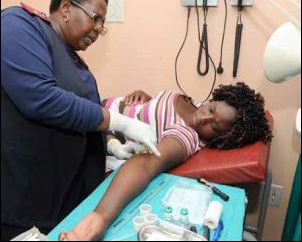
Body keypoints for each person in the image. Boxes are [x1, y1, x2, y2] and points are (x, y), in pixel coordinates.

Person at [1, 0, 160, 240]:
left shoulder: (73, 59)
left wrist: (111, 145)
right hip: (22, 201)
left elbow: (87, 109)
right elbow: (43, 99)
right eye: (95, 18)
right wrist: (124, 123)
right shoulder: (18, 25)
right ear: (66, 7)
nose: (98, 30)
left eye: (102, 25)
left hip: (66, 199)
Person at [58, 82, 273, 241]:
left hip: (96, 127)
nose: (203, 118)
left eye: (214, 127)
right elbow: (160, 114)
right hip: (99, 104)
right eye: (211, 109)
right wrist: (146, 99)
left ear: (221, 137)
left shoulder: (186, 136)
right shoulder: (194, 104)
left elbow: (145, 164)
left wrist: (101, 216)